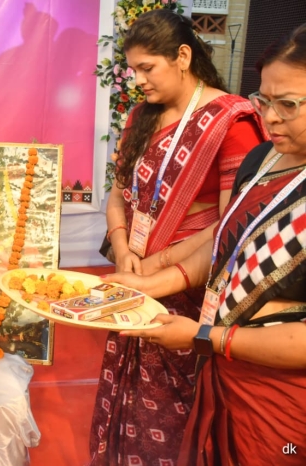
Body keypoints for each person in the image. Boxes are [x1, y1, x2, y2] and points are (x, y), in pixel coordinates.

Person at [103, 23, 306, 466]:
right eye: (264, 100)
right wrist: (149, 284)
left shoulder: (234, 127)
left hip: (280, 400)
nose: (270, 118)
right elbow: (225, 247)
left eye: (288, 104)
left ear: (182, 57)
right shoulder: (264, 159)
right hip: (224, 367)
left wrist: (204, 336)